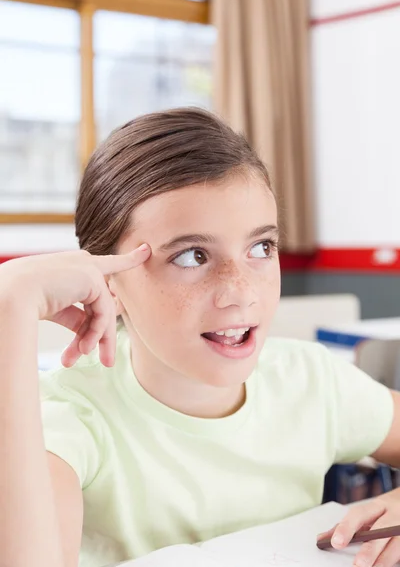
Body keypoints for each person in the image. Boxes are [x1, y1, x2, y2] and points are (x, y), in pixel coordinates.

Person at [1, 107, 400, 567]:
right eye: (192, 256)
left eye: (260, 247)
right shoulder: (70, 419)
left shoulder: (311, 380)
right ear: (107, 280)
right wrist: (10, 308)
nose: (240, 292)